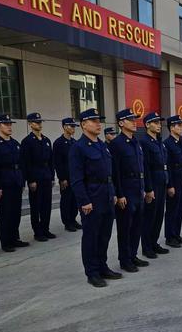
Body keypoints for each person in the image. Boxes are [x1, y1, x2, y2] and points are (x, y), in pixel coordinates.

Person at [69, 108, 122, 288]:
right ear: (83, 124)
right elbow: (76, 179)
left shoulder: (102, 145)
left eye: (99, 120)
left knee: (104, 235)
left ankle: (102, 266)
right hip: (92, 196)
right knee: (91, 236)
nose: (98, 123)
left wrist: (113, 193)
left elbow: (110, 173)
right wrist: (84, 201)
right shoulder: (78, 147)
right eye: (94, 120)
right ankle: (92, 272)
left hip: (106, 195)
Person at [110, 109, 148, 273]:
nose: (134, 122)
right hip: (125, 188)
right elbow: (115, 171)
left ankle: (132, 255)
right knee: (125, 227)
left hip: (138, 187)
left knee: (137, 225)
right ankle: (124, 259)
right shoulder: (116, 144)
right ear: (121, 123)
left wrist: (145, 188)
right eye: (130, 119)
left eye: (135, 119)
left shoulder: (136, 142)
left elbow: (142, 167)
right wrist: (119, 194)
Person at [0, 114, 29, 252]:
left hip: (16, 181)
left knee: (16, 212)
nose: (10, 126)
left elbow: (21, 164)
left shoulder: (15, 143)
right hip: (4, 183)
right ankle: (6, 242)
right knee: (5, 213)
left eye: (10, 124)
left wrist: (22, 181)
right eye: (6, 124)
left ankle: (15, 238)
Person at [20, 113, 56, 242]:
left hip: (46, 174)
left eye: (40, 122)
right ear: (30, 124)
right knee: (36, 205)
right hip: (35, 175)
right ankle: (37, 231)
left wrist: (52, 176)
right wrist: (30, 180)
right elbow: (26, 162)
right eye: (36, 122)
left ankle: (45, 229)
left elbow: (51, 160)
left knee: (47, 204)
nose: (39, 124)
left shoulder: (46, 140)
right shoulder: (27, 141)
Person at [140, 112, 169, 259]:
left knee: (158, 215)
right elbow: (145, 168)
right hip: (153, 183)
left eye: (159, 122)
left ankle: (154, 242)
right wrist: (148, 188)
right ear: (147, 125)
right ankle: (146, 246)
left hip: (162, 181)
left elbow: (164, 164)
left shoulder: (158, 141)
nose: (158, 125)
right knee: (149, 216)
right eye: (155, 122)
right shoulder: (144, 142)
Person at [164, 115, 182, 248]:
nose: (181, 128)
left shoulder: (181, 142)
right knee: (172, 210)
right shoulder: (167, 144)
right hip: (174, 179)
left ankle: (177, 234)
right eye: (178, 125)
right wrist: (170, 185)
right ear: (171, 128)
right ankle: (170, 236)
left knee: (180, 209)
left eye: (181, 125)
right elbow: (168, 166)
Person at [53, 117, 82, 232]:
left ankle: (73, 219)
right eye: (71, 126)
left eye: (74, 126)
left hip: (75, 177)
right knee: (66, 200)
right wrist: (62, 178)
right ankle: (67, 222)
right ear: (65, 127)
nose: (73, 128)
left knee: (75, 200)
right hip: (66, 177)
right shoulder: (58, 143)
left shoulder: (74, 142)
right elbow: (57, 162)